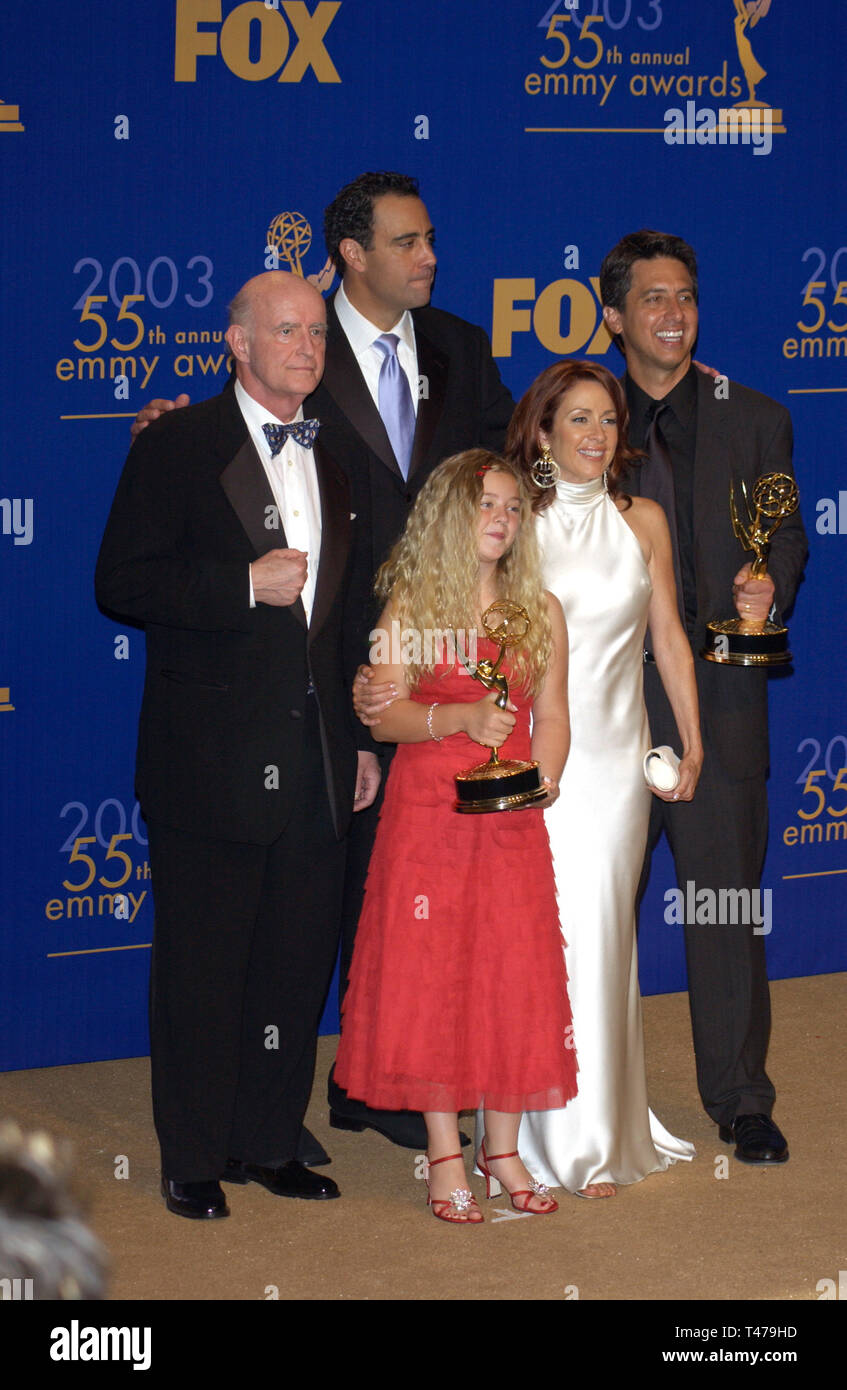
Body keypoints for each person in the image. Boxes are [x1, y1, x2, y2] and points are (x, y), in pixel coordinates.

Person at [130, 171, 516, 1153]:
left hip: (394, 682)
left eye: (432, 238)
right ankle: (223, 1138)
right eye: (407, 240)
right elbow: (137, 565)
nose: (306, 349)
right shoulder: (220, 418)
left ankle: (323, 1107)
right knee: (238, 939)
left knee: (342, 923)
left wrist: (601, 470)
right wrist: (225, 558)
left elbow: (500, 469)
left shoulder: (427, 379)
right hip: (257, 711)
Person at [95, 271, 380, 1220]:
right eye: (285, 330)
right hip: (208, 760)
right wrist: (236, 584)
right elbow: (121, 582)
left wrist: (359, 742)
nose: (305, 345)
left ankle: (268, 1142)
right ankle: (193, 1154)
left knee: (294, 967)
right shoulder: (176, 444)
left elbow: (341, 622)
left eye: (314, 333)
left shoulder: (334, 458)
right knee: (201, 968)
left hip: (318, 762)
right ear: (237, 343)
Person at [599, 229, 807, 1164]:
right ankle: (570, 1096)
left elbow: (786, 537)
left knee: (722, 904)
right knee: (590, 907)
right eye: (651, 298)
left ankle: (738, 1097)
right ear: (613, 318)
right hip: (602, 709)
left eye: (683, 295)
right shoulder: (575, 421)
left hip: (718, 702)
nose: (672, 313)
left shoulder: (753, 415)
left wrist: (770, 590)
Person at [335, 450, 576, 1222]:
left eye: (511, 507)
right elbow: (381, 713)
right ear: (448, 516)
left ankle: (500, 1147)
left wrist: (543, 778)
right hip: (427, 814)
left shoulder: (540, 607)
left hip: (510, 819)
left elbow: (556, 714)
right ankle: (444, 1152)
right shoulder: (410, 603)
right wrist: (461, 719)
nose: (501, 519)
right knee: (432, 973)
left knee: (513, 970)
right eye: (485, 505)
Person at [503, 360, 702, 1196]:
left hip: (620, 761)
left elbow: (668, 637)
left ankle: (603, 1127)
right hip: (541, 757)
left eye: (609, 420)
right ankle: (540, 1136)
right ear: (542, 432)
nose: (595, 435)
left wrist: (690, 745)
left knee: (604, 931)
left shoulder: (644, 520)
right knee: (541, 936)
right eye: (577, 419)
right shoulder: (514, 521)